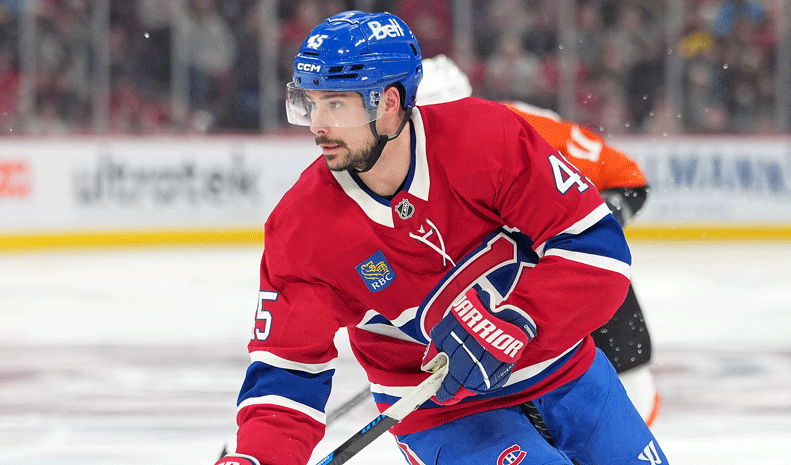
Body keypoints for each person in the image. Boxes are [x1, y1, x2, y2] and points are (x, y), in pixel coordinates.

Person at [216, 11, 669, 465]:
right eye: (309, 103)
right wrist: (258, 457)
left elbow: (598, 248)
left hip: (561, 367)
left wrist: (519, 318)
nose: (317, 125)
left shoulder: (488, 137)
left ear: (389, 102)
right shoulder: (301, 229)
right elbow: (287, 370)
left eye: (334, 104)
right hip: (443, 411)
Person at [416, 54, 660, 427]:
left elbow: (624, 176)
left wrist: (590, 227)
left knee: (625, 362)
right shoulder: (401, 165)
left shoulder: (522, 126)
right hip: (495, 279)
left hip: (565, 267)